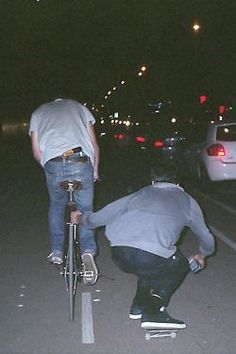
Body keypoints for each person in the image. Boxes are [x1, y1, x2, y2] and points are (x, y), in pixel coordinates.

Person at [71, 159, 215, 329]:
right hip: (149, 257)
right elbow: (206, 237)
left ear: (153, 181)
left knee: (151, 266)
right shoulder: (188, 200)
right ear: (178, 182)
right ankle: (153, 311)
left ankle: (138, 305)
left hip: (119, 254)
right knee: (181, 263)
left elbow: (100, 217)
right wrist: (203, 255)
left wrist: (80, 218)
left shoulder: (139, 194)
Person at [29, 97, 99, 285]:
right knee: (85, 208)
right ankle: (87, 251)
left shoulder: (38, 112)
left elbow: (37, 152)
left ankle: (57, 252)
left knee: (57, 206)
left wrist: (51, 168)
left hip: (53, 162)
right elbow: (93, 144)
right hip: (80, 160)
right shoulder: (79, 107)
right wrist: (95, 170)